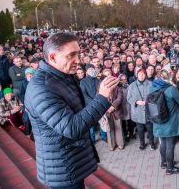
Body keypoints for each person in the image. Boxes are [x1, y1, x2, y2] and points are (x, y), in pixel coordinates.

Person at [25, 33, 118, 188]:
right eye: (71, 55)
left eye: (78, 54)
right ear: (53, 57)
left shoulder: (62, 75)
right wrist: (102, 97)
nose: (78, 60)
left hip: (70, 161)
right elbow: (72, 127)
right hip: (62, 168)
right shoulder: (41, 88)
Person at [151, 70, 179, 175]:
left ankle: (164, 163)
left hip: (157, 121)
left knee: (163, 143)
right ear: (167, 78)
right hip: (170, 122)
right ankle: (170, 168)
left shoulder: (152, 88)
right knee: (170, 144)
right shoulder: (171, 89)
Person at [127, 68, 156, 150]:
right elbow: (129, 98)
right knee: (140, 129)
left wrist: (148, 101)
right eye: (140, 74)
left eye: (143, 74)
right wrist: (136, 102)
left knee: (150, 128)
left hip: (149, 110)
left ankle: (151, 142)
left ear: (145, 75)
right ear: (137, 75)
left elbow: (155, 95)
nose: (141, 76)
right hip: (137, 111)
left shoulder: (151, 84)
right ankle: (142, 143)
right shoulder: (132, 86)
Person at [80, 64, 107, 142]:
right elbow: (84, 94)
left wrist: (100, 75)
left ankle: (103, 136)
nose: (91, 71)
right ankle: (92, 139)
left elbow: (101, 91)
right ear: (87, 72)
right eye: (89, 70)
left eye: (93, 69)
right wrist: (93, 102)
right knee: (91, 125)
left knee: (103, 122)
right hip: (89, 106)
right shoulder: (83, 81)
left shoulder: (98, 80)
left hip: (99, 104)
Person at [102, 68, 125, 151]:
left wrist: (113, 106)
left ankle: (120, 144)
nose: (107, 77)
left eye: (108, 75)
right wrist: (107, 107)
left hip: (116, 110)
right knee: (109, 129)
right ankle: (111, 145)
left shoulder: (117, 85)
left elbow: (119, 98)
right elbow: (99, 98)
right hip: (107, 111)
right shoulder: (101, 87)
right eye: (105, 75)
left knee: (118, 128)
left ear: (111, 75)